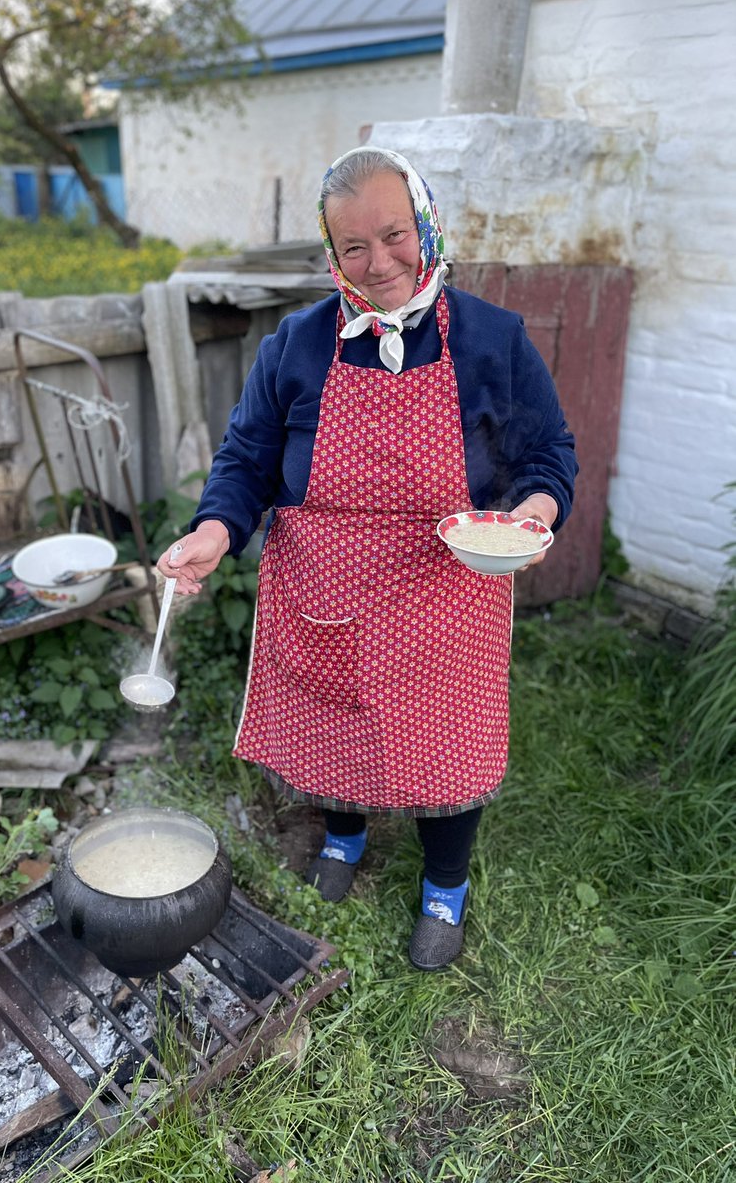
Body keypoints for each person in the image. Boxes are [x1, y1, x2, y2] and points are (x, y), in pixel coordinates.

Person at [158, 146, 577, 970]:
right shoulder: (296, 345)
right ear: (331, 254)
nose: (379, 263)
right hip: (325, 588)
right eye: (354, 247)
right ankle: (344, 841)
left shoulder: (492, 340)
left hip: (448, 591)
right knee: (333, 723)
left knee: (446, 741)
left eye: (394, 235)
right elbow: (246, 459)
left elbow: (548, 453)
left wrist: (533, 512)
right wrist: (215, 530)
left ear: (425, 226)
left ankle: (444, 887)